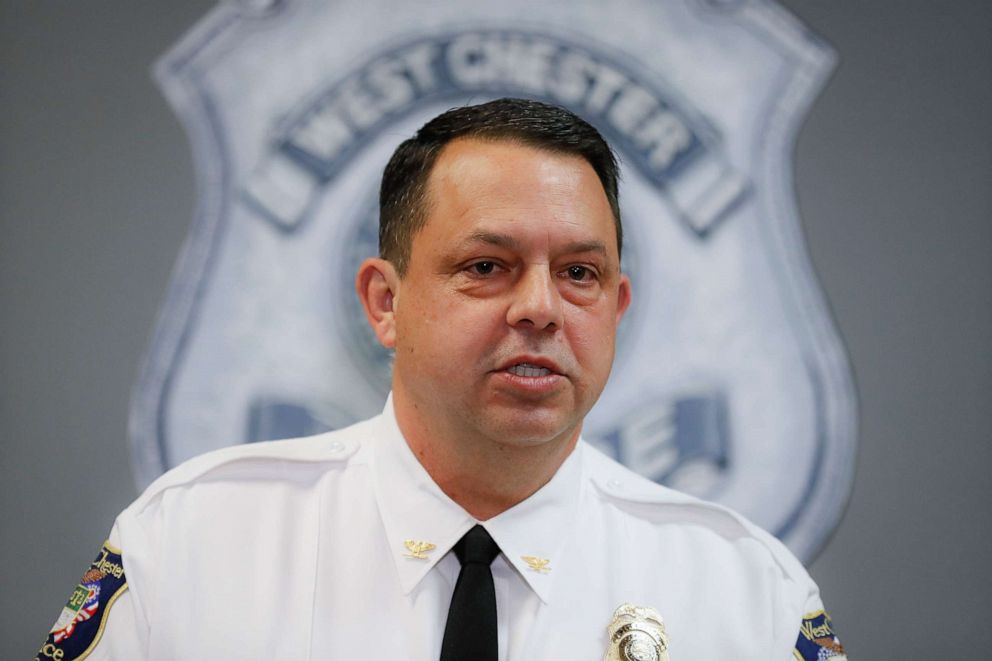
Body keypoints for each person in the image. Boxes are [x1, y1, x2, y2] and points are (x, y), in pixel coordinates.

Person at [37, 98, 847, 660]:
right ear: (385, 302)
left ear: (617, 305)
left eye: (580, 273)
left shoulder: (746, 591)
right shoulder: (192, 545)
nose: (541, 307)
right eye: (487, 266)